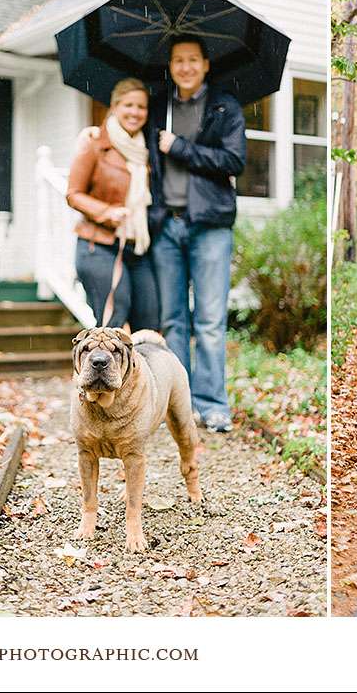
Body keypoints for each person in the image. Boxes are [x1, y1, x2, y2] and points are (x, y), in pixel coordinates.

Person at [146, 35, 247, 434]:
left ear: (205, 64)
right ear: (170, 67)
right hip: (166, 225)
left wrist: (181, 148)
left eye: (192, 60)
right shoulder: (159, 107)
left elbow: (234, 160)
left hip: (209, 226)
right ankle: (180, 406)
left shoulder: (225, 107)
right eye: (177, 60)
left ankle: (213, 404)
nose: (185, 67)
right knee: (173, 321)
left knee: (208, 320)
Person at [67, 78, 159, 331]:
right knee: (113, 320)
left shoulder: (147, 150)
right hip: (99, 245)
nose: (135, 112)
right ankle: (101, 372)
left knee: (149, 322)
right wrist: (107, 212)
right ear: (115, 106)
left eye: (141, 107)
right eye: (128, 105)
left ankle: (139, 373)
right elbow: (73, 193)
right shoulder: (95, 143)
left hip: (137, 247)